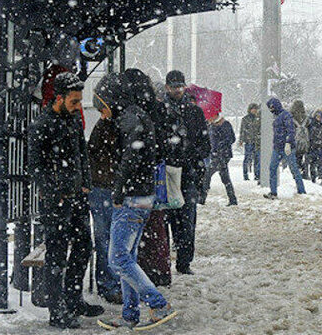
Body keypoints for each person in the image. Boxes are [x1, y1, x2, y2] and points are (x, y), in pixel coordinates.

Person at [99, 70, 177, 330]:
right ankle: (129, 315)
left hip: (132, 196)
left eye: (102, 106)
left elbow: (130, 158)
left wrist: (119, 190)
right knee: (128, 257)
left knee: (118, 259)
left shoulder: (129, 118)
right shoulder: (139, 114)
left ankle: (158, 304)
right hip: (144, 195)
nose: (102, 113)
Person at [27, 72, 104, 329]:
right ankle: (56, 309)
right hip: (56, 201)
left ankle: (73, 299)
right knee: (57, 256)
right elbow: (35, 166)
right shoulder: (42, 125)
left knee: (83, 248)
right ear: (58, 98)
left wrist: (85, 183)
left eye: (79, 101)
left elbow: (81, 152)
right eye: (73, 101)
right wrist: (55, 190)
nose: (78, 106)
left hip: (77, 197)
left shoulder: (72, 120)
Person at [162, 70, 210, 275]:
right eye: (174, 87)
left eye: (180, 86)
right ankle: (165, 261)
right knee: (166, 221)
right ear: (167, 87)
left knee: (186, 221)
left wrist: (190, 155)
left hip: (187, 173)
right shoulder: (160, 111)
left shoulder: (194, 113)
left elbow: (205, 145)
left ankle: (184, 261)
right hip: (167, 173)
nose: (177, 90)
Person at [88, 74, 123, 305]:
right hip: (105, 188)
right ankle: (110, 283)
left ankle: (109, 282)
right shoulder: (112, 126)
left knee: (106, 239)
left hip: (103, 187)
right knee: (108, 239)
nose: (102, 113)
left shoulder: (107, 125)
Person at [265, 97, 307, 199]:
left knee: (293, 169)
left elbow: (291, 130)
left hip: (285, 147)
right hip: (278, 146)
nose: (271, 110)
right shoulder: (278, 116)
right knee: (274, 168)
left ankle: (301, 190)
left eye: (272, 108)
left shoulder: (285, 116)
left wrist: (288, 142)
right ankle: (273, 192)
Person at [203, 114, 238, 205]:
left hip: (222, 155)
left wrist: (220, 146)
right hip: (215, 155)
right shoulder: (211, 126)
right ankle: (232, 199)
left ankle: (202, 198)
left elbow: (231, 138)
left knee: (207, 175)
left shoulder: (225, 124)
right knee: (225, 177)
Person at [239, 103, 261, 183]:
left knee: (257, 159)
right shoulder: (245, 119)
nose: (254, 110)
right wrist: (241, 140)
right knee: (247, 159)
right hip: (248, 141)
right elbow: (242, 130)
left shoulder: (259, 118)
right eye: (253, 109)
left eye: (256, 109)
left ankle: (257, 175)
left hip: (257, 142)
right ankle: (245, 175)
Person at [290, 100, 310, 180]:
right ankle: (304, 173)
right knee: (303, 157)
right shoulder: (305, 117)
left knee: (294, 158)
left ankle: (297, 173)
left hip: (294, 141)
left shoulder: (291, 117)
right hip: (304, 142)